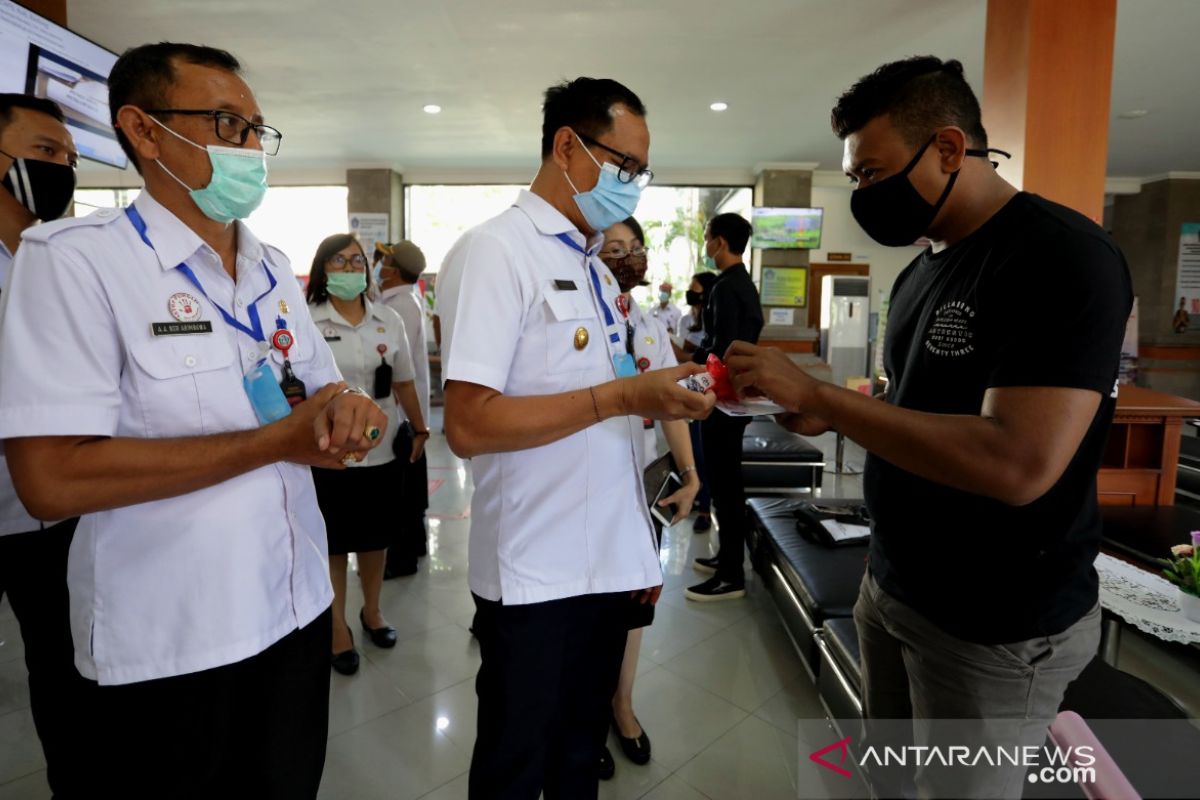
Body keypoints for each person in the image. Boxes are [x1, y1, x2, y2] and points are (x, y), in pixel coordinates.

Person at [724, 56, 1133, 799]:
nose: (863, 195)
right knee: (892, 783)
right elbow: (907, 408)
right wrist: (819, 412)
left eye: (872, 173)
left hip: (994, 622)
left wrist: (830, 396)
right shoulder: (922, 272)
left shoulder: (1061, 256)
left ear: (948, 148)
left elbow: (1018, 463)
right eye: (854, 179)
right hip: (893, 586)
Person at [0, 43, 389, 798]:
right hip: (172, 641)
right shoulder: (76, 262)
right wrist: (270, 442)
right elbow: (48, 480)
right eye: (225, 123)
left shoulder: (273, 267)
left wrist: (350, 416)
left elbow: (323, 397)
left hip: (296, 611)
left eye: (255, 129)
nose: (250, 147)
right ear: (144, 132)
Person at [436, 76, 714, 800]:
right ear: (567, 147)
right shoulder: (498, 252)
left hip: (604, 558)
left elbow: (612, 400)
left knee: (576, 758)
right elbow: (468, 424)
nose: (634, 187)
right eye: (625, 167)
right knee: (516, 764)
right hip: (536, 573)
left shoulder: (590, 264)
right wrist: (621, 395)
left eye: (641, 174)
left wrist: (666, 395)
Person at [0, 92, 88, 798]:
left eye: (68, 157)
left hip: (55, 511)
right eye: (45, 153)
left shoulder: (62, 260)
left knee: (63, 667)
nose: (62, 170)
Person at [597, 217, 700, 777]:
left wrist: (689, 474)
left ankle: (622, 704)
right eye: (615, 249)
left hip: (641, 487)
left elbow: (671, 401)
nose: (629, 258)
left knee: (636, 603)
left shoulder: (646, 324)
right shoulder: (575, 319)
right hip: (584, 490)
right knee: (587, 611)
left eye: (635, 248)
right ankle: (585, 717)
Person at [307, 234, 428, 675]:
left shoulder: (388, 319)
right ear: (323, 270)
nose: (350, 267)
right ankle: (338, 626)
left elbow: (405, 381)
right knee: (336, 542)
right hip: (330, 454)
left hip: (380, 453)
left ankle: (371, 611)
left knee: (375, 538)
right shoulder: (308, 321)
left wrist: (420, 426)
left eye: (357, 260)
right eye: (338, 261)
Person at [686, 213, 763, 601]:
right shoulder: (743, 284)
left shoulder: (726, 288)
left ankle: (732, 573)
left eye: (706, 237)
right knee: (725, 482)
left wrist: (691, 377)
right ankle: (728, 558)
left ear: (720, 242)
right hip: (733, 396)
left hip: (724, 399)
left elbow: (722, 348)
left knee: (725, 485)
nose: (705, 244)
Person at [377, 240, 432, 577]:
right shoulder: (406, 299)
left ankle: (401, 559)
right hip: (409, 413)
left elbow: (397, 366)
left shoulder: (398, 306)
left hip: (401, 414)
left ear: (393, 270)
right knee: (410, 488)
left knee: (400, 494)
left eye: (383, 261)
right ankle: (416, 546)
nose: (377, 267)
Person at [677, 271, 718, 533]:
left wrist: (662, 342)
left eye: (695, 289)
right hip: (691, 385)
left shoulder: (713, 320)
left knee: (703, 453)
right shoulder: (688, 319)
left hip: (708, 386)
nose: (691, 294)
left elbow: (689, 357)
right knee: (691, 446)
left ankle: (705, 508)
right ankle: (694, 496)